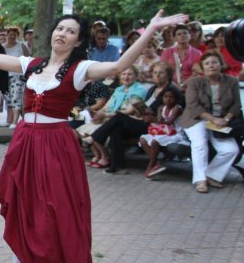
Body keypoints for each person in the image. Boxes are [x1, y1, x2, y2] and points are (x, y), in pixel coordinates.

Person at [0, 0, 186, 263]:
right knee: (31, 210)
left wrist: (151, 30)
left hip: (55, 145)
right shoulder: (32, 64)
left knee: (61, 213)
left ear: (77, 41)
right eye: (59, 28)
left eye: (70, 31)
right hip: (26, 143)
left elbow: (119, 65)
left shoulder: (80, 69)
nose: (62, 34)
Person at [86, 62, 184, 174]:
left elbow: (175, 110)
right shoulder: (153, 89)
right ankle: (118, 166)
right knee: (116, 129)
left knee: (119, 117)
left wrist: (152, 116)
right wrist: (141, 111)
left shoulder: (170, 90)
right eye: (155, 72)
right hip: (143, 121)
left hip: (158, 126)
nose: (157, 75)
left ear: (168, 75)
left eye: (161, 73)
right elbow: (146, 108)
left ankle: (96, 137)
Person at [176, 51, 241, 193]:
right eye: (207, 63)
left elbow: (236, 105)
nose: (211, 66)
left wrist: (226, 119)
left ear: (220, 64)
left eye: (214, 62)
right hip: (197, 118)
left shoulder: (231, 81)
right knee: (200, 144)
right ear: (202, 67)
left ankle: (212, 175)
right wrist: (212, 119)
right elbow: (193, 106)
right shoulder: (194, 82)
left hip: (222, 120)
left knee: (231, 150)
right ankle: (200, 180)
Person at [84, 68, 148, 169]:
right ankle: (112, 163)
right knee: (111, 129)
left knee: (112, 123)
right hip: (115, 120)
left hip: (131, 121)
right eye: (124, 74)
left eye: (130, 74)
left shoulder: (139, 89)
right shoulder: (119, 89)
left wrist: (106, 115)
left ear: (136, 77)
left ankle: (100, 149)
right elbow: (106, 106)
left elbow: (129, 111)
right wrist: (100, 113)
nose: (126, 77)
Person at [138, 89, 184, 179]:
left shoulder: (177, 108)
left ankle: (150, 166)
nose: (168, 99)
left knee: (155, 142)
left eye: (171, 97)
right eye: (166, 97)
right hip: (163, 132)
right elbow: (160, 121)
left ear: (176, 99)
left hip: (174, 133)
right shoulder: (161, 108)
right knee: (143, 139)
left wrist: (152, 118)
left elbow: (169, 122)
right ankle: (157, 163)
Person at [2, 26, 26, 128]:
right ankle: (10, 119)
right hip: (5, 75)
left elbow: (27, 58)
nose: (12, 36)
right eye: (10, 34)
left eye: (14, 35)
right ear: (7, 35)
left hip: (17, 75)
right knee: (8, 99)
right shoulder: (2, 46)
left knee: (16, 97)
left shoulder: (21, 45)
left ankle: (15, 121)